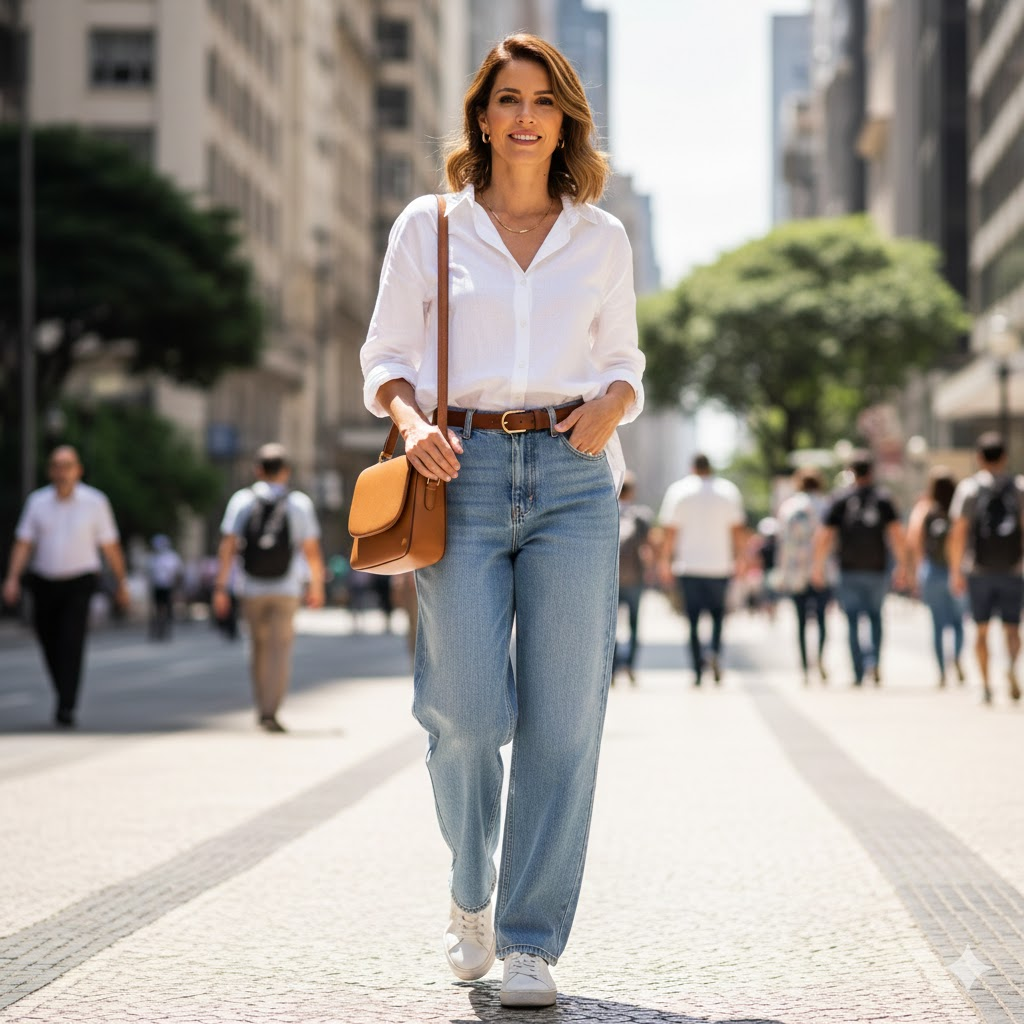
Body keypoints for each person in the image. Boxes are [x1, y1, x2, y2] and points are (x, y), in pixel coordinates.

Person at [359, 33, 644, 1008]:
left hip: (571, 478)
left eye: (543, 100)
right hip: (460, 471)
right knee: (468, 711)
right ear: (482, 115)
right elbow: (385, 357)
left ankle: (528, 941)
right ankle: (469, 890)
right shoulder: (429, 226)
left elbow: (623, 363)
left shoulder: (600, 237)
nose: (524, 116)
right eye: (507, 98)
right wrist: (410, 423)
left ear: (564, 118)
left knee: (565, 720)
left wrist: (612, 404)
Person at [1, 445, 130, 726]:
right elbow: (24, 543)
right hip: (44, 581)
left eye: (67, 465)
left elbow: (110, 546)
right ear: (50, 471)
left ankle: (66, 704)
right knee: (48, 642)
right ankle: (63, 690)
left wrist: (121, 582)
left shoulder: (95, 502)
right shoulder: (37, 502)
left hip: (80, 581)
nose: (62, 471)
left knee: (71, 642)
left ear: (78, 470)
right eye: (57, 466)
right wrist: (12, 577)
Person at [212, 443, 326, 732]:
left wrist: (220, 587)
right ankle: (270, 709)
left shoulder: (241, 500)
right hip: (286, 589)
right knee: (279, 650)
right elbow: (311, 550)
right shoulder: (299, 503)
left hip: (251, 588)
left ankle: (261, 703)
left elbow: (227, 547)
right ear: (286, 472)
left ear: (258, 470)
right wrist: (317, 586)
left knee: (258, 648)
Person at [812, 450, 908, 686]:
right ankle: (873, 662)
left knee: (853, 621)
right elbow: (896, 535)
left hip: (848, 569)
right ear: (872, 472)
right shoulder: (884, 498)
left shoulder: (840, 499)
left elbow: (824, 536)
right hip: (877, 568)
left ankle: (857, 670)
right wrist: (904, 565)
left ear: (850, 472)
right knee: (876, 618)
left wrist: (818, 566)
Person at [947, 432, 1024, 704]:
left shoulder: (968, 489)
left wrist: (956, 570)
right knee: (1013, 628)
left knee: (980, 629)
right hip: (1014, 569)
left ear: (979, 457)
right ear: (1005, 456)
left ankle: (987, 684)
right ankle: (1012, 667)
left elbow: (958, 533)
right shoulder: (1019, 487)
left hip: (978, 570)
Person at [657, 454, 746, 686]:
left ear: (692, 468)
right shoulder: (728, 491)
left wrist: (665, 562)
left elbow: (670, 532)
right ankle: (714, 652)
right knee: (718, 616)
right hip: (720, 565)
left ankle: (697, 669)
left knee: (693, 620)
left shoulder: (679, 491)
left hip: (689, 566)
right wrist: (742, 559)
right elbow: (737, 530)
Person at [906, 467, 965, 688]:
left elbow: (914, 539)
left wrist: (916, 570)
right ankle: (957, 656)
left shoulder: (926, 510)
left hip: (931, 571)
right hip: (956, 570)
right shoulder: (960, 510)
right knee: (959, 622)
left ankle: (941, 671)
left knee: (937, 625)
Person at [774, 468, 833, 683]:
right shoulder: (826, 505)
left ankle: (804, 667)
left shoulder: (789, 507)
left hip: (796, 572)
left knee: (799, 621)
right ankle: (819, 658)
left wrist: (782, 573)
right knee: (821, 620)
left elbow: (784, 544)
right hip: (822, 570)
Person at [613, 470, 652, 684]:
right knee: (634, 625)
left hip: (612, 578)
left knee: (612, 626)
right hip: (635, 577)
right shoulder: (641, 516)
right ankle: (630, 665)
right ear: (633, 492)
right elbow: (648, 547)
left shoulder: (607, 511)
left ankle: (612, 669)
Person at [146, 534, 183, 641]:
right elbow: (149, 574)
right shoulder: (152, 558)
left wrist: (176, 588)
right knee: (156, 609)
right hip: (156, 587)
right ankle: (156, 630)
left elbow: (178, 573)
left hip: (168, 587)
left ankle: (166, 630)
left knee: (167, 609)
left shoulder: (172, 557)